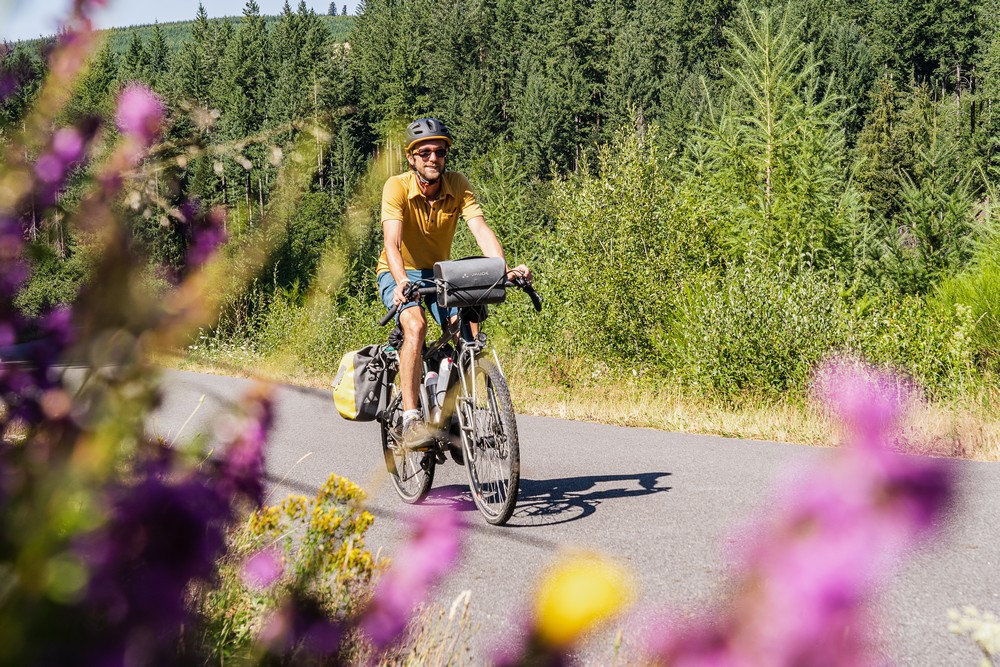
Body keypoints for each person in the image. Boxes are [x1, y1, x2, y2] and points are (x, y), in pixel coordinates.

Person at [377, 117, 531, 448]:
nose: (434, 158)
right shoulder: (397, 187)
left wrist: (502, 269)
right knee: (415, 326)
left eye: (440, 152)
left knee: (467, 330)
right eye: (426, 152)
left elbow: (481, 229)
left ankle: (453, 411)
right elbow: (392, 243)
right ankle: (410, 417)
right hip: (398, 272)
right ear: (412, 157)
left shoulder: (458, 185)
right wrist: (402, 281)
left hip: (439, 273)